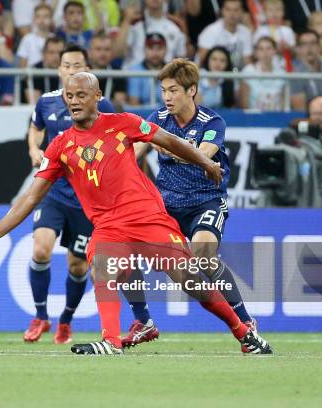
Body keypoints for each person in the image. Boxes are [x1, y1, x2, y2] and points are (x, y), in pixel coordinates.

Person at [0, 71, 273, 355]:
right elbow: (31, 196)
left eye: (81, 95)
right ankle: (111, 340)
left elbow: (169, 141)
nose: (73, 101)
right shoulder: (59, 146)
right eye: (69, 96)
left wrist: (206, 163)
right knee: (102, 263)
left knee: (189, 278)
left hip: (147, 217)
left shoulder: (123, 122)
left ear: (97, 95)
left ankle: (243, 331)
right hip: (108, 226)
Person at [123, 58, 261, 352]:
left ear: (192, 90)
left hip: (205, 201)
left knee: (203, 254)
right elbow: (132, 152)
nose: (167, 97)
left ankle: (246, 323)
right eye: (163, 90)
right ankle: (143, 321)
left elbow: (204, 155)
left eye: (173, 90)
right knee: (119, 247)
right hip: (166, 205)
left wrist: (169, 148)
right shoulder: (158, 118)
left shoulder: (212, 122)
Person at [24, 44, 115, 344]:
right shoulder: (47, 103)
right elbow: (36, 128)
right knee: (41, 248)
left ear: (89, 70)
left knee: (78, 266)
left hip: (87, 199)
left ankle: (66, 319)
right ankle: (40, 316)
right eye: (67, 65)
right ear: (59, 69)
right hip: (54, 191)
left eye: (78, 65)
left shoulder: (105, 107)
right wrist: (34, 148)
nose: (72, 70)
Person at [197, 0, 253, 70]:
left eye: (236, 10)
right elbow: (200, 60)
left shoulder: (246, 32)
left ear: (242, 12)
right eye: (228, 9)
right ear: (222, 11)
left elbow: (247, 61)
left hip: (237, 74)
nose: (232, 14)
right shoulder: (211, 31)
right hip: (215, 75)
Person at [239, 36, 286, 111]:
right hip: (253, 118)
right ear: (256, 52)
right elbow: (244, 105)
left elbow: (284, 103)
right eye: (261, 49)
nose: (265, 52)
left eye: (269, 48)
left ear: (275, 51)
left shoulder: (282, 73)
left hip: (276, 118)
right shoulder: (248, 71)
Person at [127, 33, 168, 106]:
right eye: (151, 48)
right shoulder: (135, 71)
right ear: (144, 49)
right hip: (142, 116)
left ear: (166, 50)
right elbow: (134, 104)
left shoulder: (172, 71)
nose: (155, 53)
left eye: (159, 48)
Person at [22, 37, 65, 105]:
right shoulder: (34, 72)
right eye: (51, 52)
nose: (56, 56)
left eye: (60, 53)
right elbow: (36, 104)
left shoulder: (70, 71)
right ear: (43, 54)